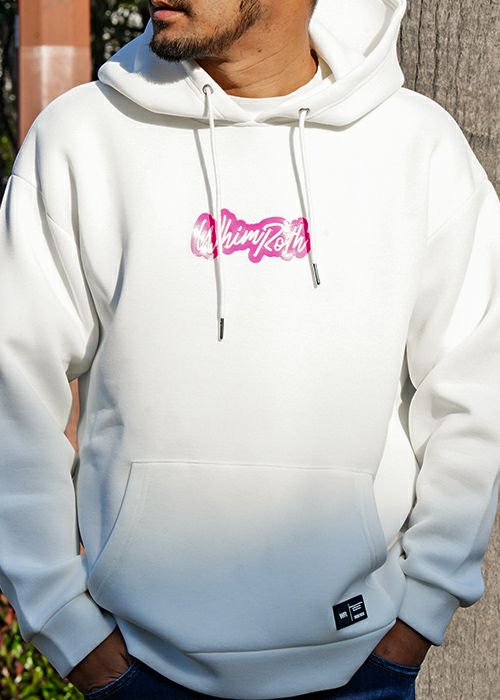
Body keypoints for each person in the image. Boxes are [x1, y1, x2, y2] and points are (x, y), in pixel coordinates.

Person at [0, 0, 498, 698]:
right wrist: (64, 625)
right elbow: (13, 389)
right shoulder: (82, 136)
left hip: (361, 665)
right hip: (137, 669)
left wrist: (422, 611)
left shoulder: (418, 147)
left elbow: (476, 395)